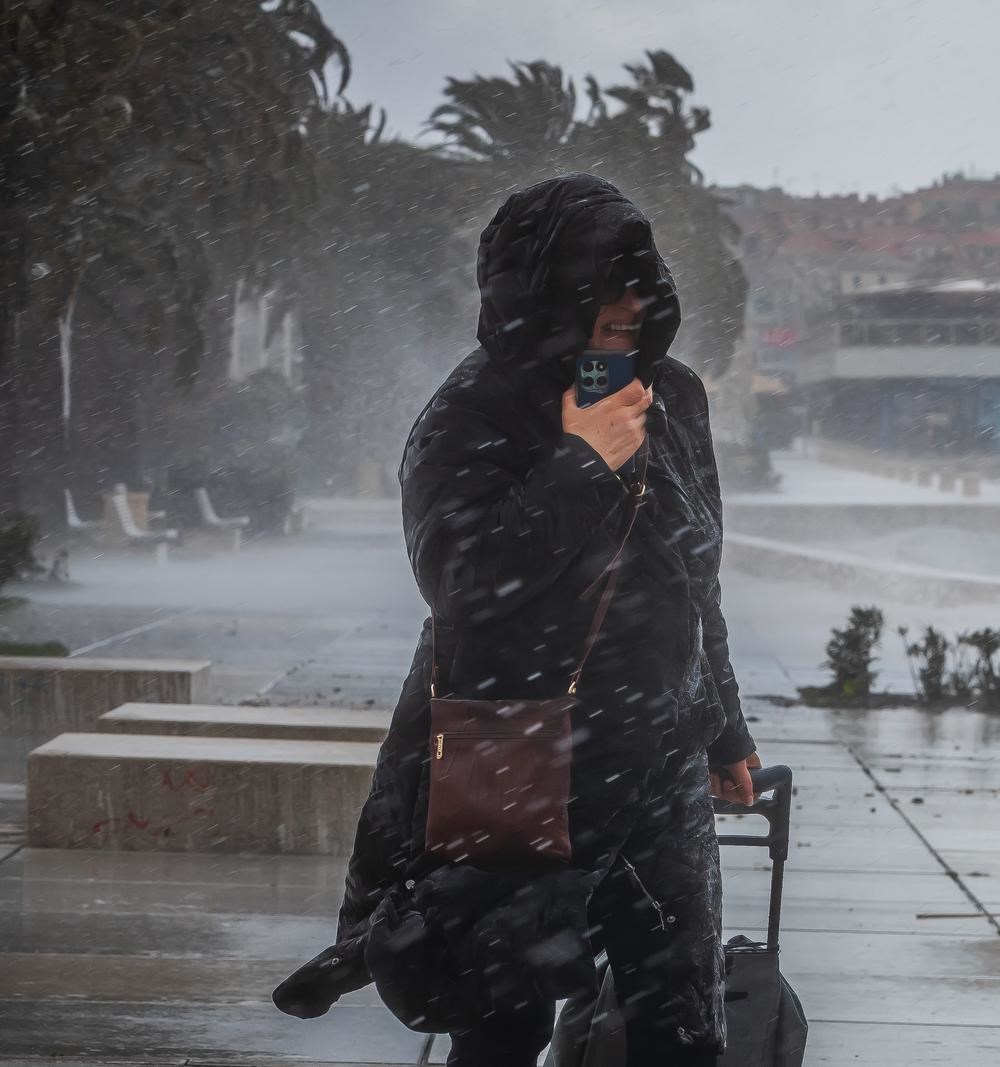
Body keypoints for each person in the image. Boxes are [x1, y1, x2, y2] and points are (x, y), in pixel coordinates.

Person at [273, 173, 760, 1067]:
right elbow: (462, 581)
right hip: (520, 752)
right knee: (500, 1020)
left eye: (639, 283)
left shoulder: (673, 397)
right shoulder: (475, 408)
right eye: (602, 286)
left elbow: (695, 577)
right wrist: (583, 460)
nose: (628, 306)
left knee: (679, 1025)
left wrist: (725, 727)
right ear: (546, 291)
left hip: (658, 762)